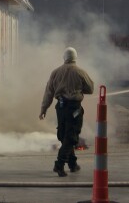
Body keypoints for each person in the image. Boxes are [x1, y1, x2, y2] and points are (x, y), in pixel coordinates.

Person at [40, 47, 95, 177]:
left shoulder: (56, 72)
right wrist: (78, 89)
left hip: (60, 107)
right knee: (71, 137)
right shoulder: (80, 72)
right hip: (74, 108)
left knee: (64, 135)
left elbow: (48, 92)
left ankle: (72, 164)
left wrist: (43, 109)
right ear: (75, 57)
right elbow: (90, 89)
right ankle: (59, 165)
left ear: (64, 58)